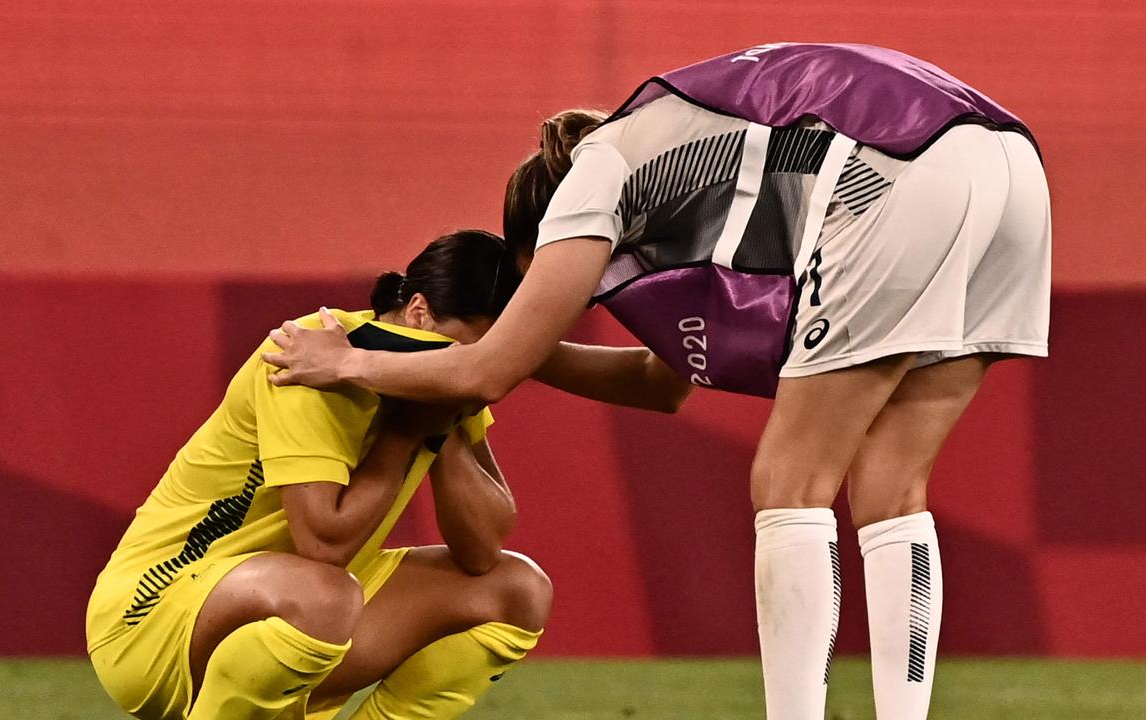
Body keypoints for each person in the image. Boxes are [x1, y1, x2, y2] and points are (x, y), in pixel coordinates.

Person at [264, 42, 1050, 720]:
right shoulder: (682, 177)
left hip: (895, 172)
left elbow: (492, 367)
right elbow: (664, 381)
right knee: (890, 485)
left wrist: (352, 360)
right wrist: (525, 350)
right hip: (1008, 163)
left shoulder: (594, 179)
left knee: (789, 481)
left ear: (546, 239)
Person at [86, 229, 552, 720]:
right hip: (153, 617)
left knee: (517, 590)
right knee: (325, 596)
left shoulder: (450, 371)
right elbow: (324, 544)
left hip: (308, 611)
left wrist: (446, 417)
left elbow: (482, 550)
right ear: (419, 312)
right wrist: (404, 434)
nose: (484, 370)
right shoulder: (307, 357)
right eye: (476, 350)